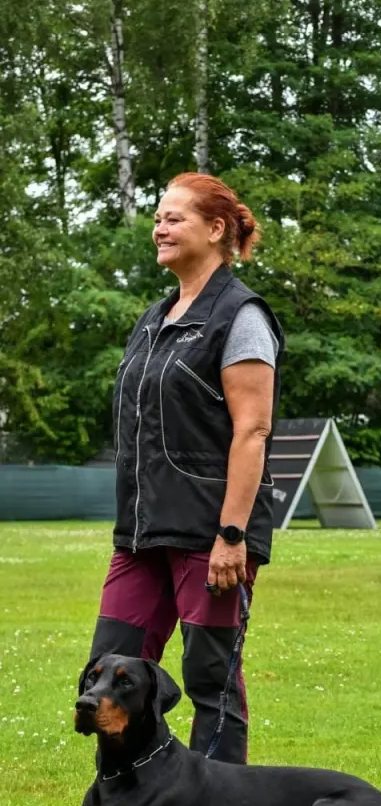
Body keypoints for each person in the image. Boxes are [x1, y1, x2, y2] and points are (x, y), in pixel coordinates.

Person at [89, 172, 284, 764]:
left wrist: (232, 535)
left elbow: (253, 429)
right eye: (158, 216)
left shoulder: (241, 315)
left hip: (211, 534)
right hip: (141, 534)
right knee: (109, 674)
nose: (160, 227)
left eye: (174, 217)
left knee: (209, 680)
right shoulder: (153, 318)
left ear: (215, 229)